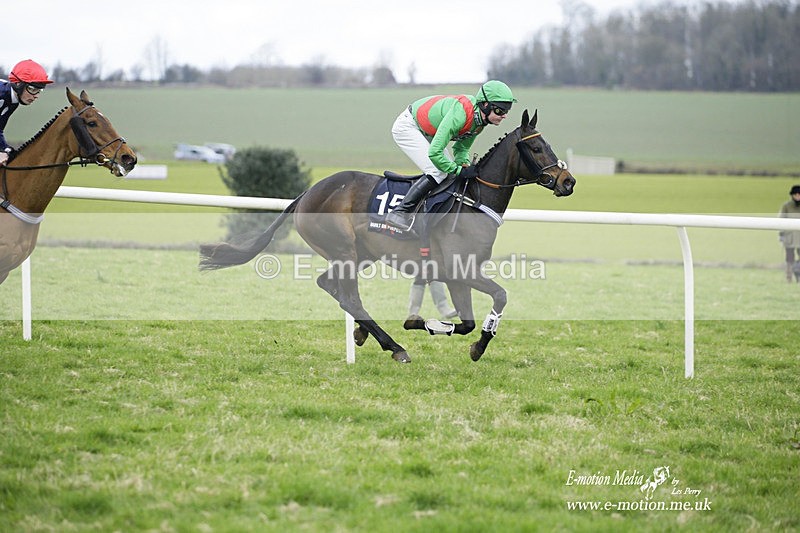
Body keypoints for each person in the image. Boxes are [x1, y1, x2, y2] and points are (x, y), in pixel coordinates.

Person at [386, 80, 516, 230]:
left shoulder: (480, 122)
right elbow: (435, 153)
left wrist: (464, 165)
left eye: (507, 111)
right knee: (438, 171)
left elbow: (461, 148)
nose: (504, 116)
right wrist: (458, 170)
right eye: (500, 111)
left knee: (448, 173)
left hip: (427, 130)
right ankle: (400, 212)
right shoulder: (461, 115)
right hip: (409, 126)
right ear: (485, 105)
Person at [0, 59, 53, 166]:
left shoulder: (13, 100)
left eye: (39, 91)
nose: (36, 96)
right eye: (32, 89)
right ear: (18, 84)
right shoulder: (2, 94)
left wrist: (5, 149)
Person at [778, 185, 800, 283]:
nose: (798, 196)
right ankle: (789, 278)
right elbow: (781, 220)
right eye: (796, 194)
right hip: (789, 237)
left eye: (799, 194)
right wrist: (781, 234)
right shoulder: (786, 206)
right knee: (789, 259)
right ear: (792, 195)